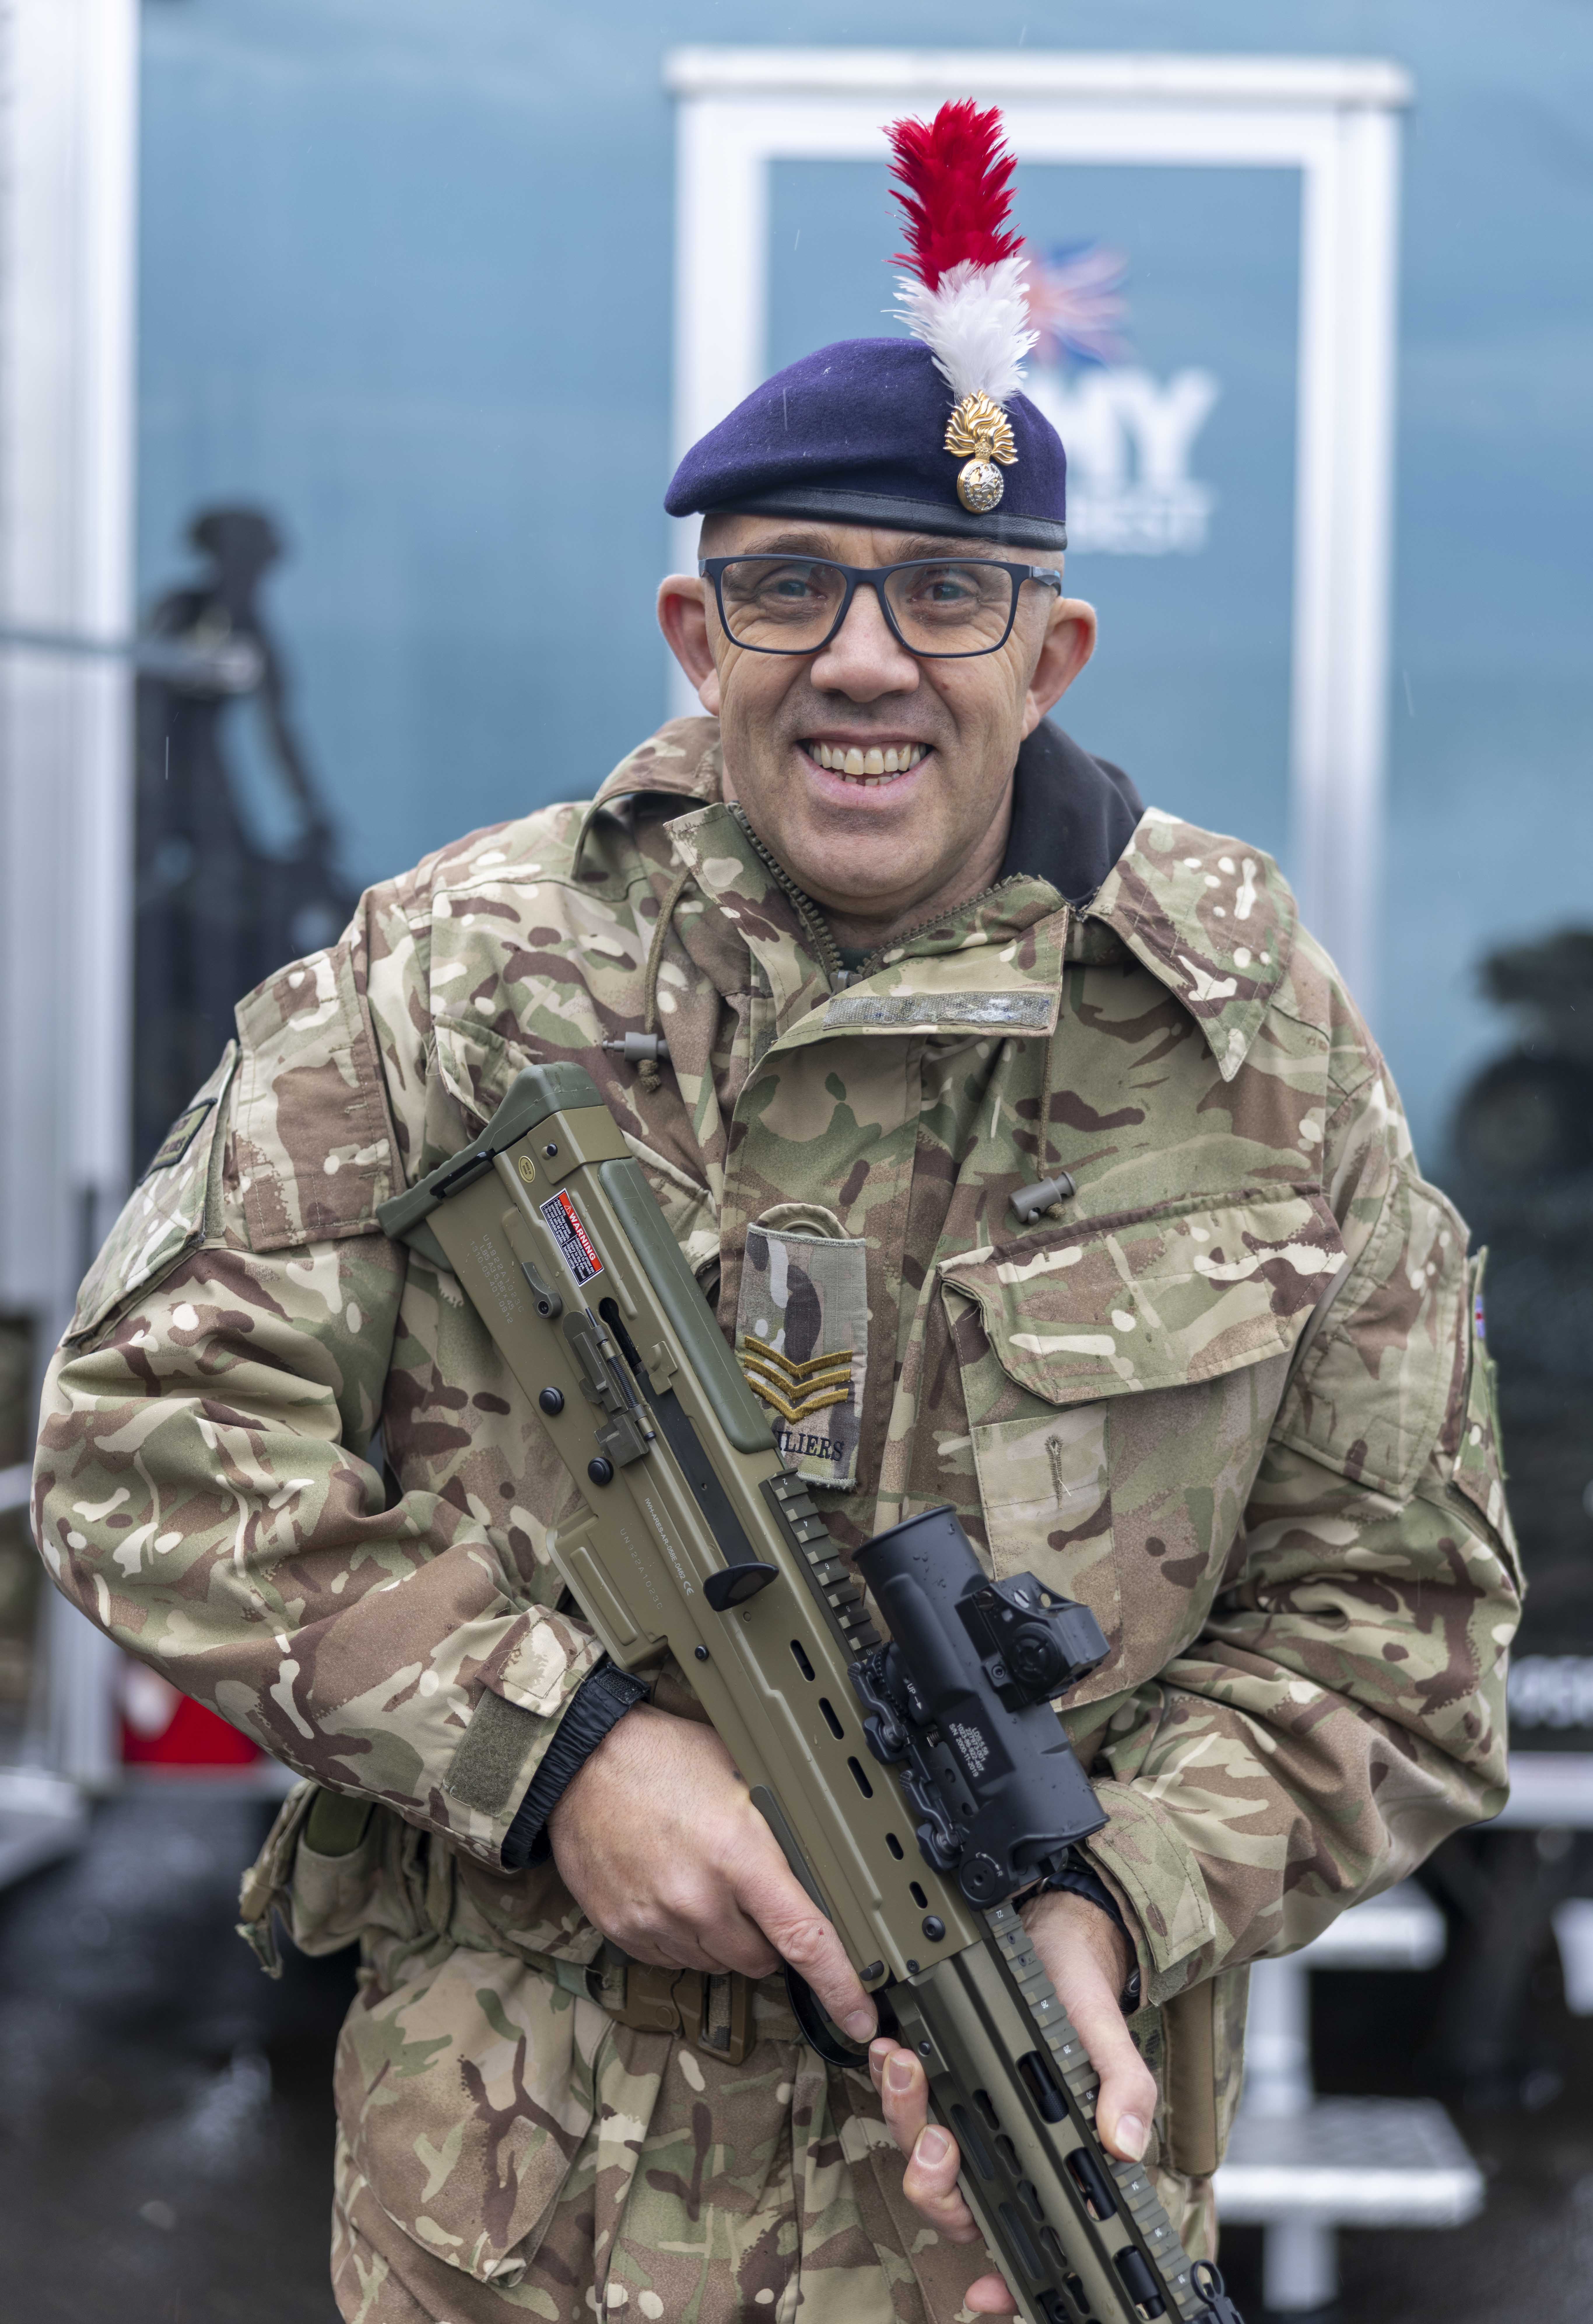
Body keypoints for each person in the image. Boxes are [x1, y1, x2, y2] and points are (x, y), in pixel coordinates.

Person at [33, 103, 1518, 2323]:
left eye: (944, 595)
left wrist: (1107, 1897)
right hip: (515, 2231)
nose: (861, 659)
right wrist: (558, 1755)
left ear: (1051, 651)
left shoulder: (1244, 1039)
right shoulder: (463, 973)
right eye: (786, 588)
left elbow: (1400, 1614)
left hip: (1010, 2227)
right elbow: (144, 1430)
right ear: (692, 630)